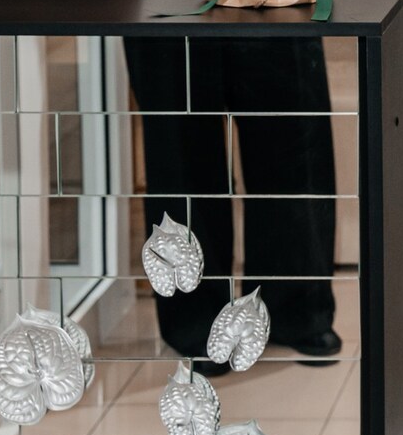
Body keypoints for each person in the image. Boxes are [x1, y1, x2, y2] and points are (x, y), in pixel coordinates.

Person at [123, 35, 342, 374]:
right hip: (166, 11)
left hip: (272, 5)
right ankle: (197, 318)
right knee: (180, 142)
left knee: (291, 130)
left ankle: (295, 307)